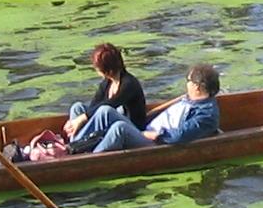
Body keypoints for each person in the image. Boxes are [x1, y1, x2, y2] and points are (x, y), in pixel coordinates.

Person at [85, 63, 221, 154]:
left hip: (154, 142)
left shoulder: (206, 115)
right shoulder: (188, 99)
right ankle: (77, 145)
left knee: (119, 128)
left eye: (188, 80)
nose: (186, 84)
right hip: (144, 128)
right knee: (105, 111)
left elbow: (179, 135)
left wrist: (154, 135)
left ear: (197, 87)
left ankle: (90, 159)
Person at [63, 44, 151, 153]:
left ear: (107, 70)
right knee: (77, 107)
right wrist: (75, 122)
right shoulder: (107, 83)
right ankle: (77, 145)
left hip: (134, 133)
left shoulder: (129, 84)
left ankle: (73, 148)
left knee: (105, 111)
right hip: (106, 128)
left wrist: (81, 119)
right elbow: (94, 106)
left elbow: (111, 104)